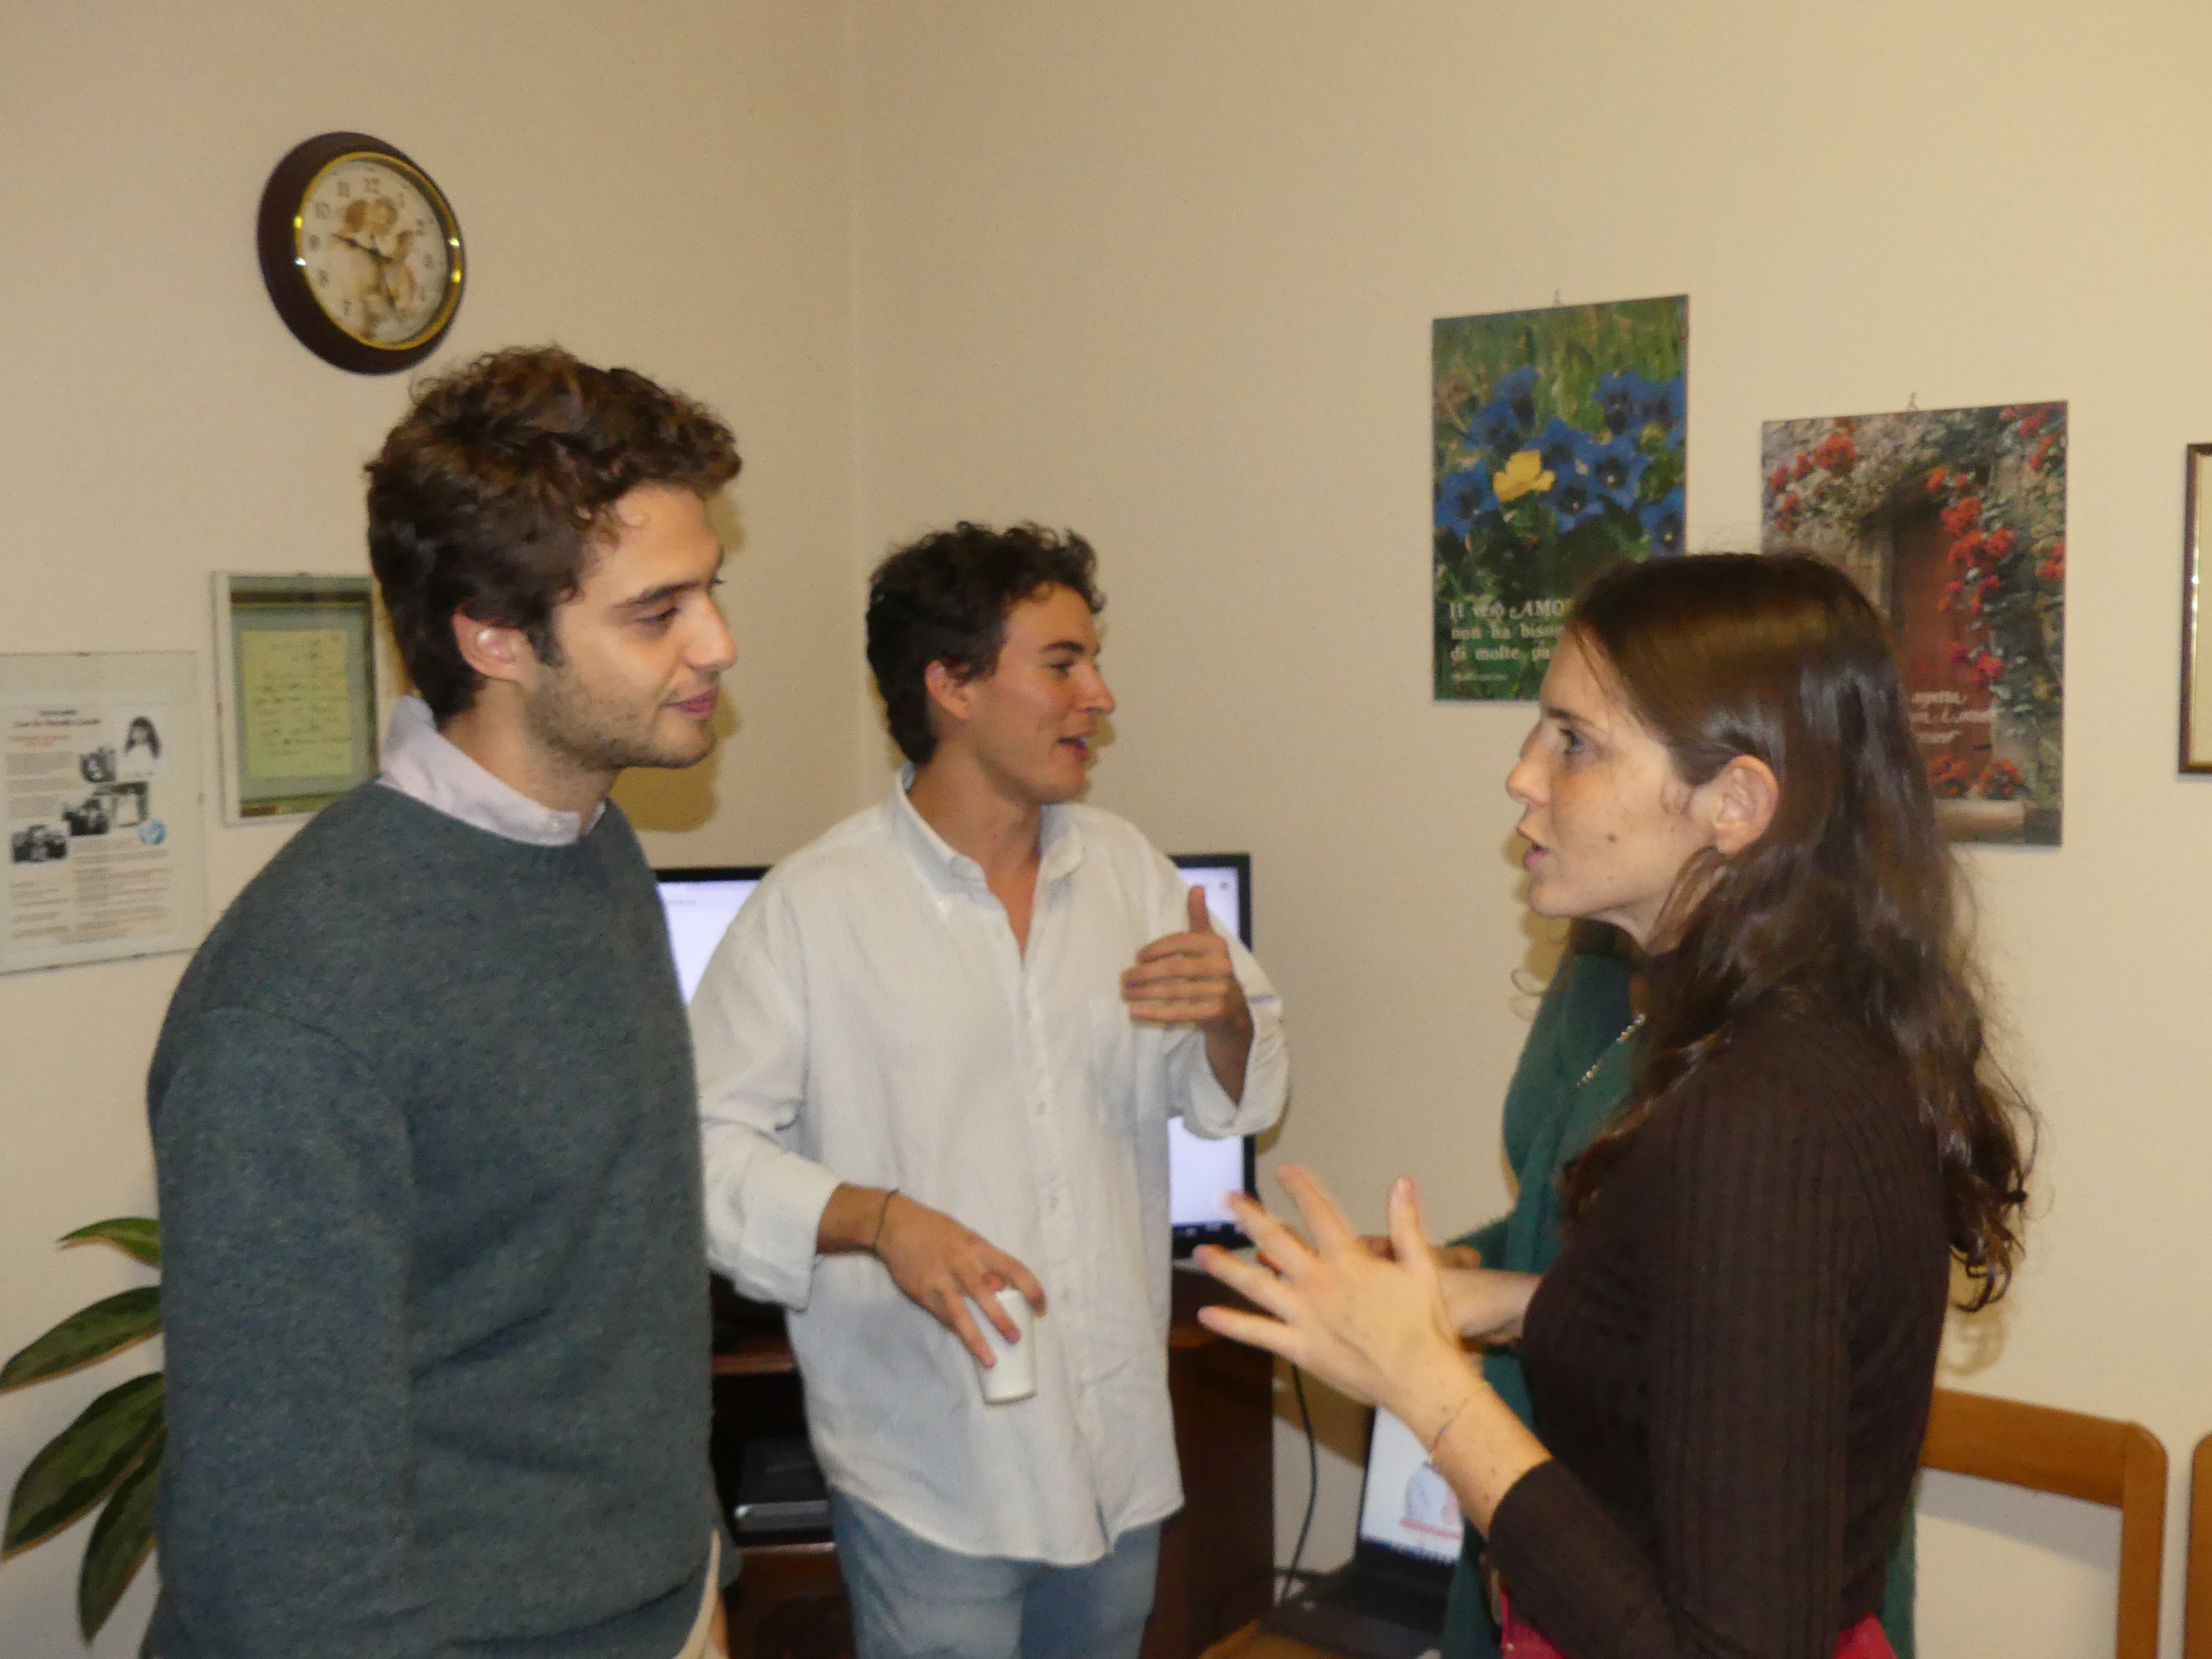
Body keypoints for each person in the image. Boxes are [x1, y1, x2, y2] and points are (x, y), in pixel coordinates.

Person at [1200, 554, 2032, 1659]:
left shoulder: (1762, 1115)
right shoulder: (1781, 1031)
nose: (1521, 776)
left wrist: (1425, 1386)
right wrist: (1503, 1303)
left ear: (1735, 804)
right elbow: (1719, 1346)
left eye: (1575, 743)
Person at [146, 346, 744, 1659]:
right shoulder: (302, 1004)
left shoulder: (592, 847)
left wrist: (696, 1575)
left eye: (709, 591)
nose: (717, 643)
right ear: (493, 638)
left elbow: (611, 1290)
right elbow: (281, 1551)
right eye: (658, 613)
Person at [689, 523, 1289, 1659]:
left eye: (1092, 661)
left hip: (1114, 1451)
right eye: (1062, 664)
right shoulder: (814, 911)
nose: (1098, 696)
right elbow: (703, 1153)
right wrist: (880, 1220)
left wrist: (1226, 1018)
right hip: (931, 1472)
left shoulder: (1128, 873)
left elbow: (1234, 1099)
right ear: (952, 686)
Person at [1432, 921, 1918, 1659]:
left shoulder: (1775, 1070)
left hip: (1662, 1552)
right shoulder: (1594, 961)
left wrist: (1424, 1384)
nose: (1521, 804)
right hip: (1533, 1495)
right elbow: (1573, 1219)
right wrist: (1474, 1266)